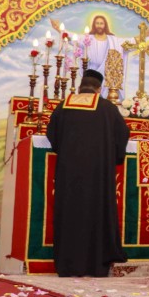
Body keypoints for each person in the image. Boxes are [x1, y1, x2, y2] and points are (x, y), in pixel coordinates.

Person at [46, 69, 130, 277]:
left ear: (80, 86)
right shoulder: (107, 108)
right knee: (96, 213)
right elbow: (122, 134)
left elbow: (52, 135)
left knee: (69, 213)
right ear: (99, 89)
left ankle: (67, 265)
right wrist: (113, 157)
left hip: (68, 175)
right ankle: (95, 265)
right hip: (98, 176)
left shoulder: (63, 105)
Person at [53, 14, 129, 100]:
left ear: (105, 25)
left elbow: (127, 43)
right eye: (97, 23)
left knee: (104, 98)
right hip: (91, 72)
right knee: (89, 96)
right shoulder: (88, 38)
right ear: (94, 25)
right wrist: (59, 29)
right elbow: (74, 38)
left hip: (107, 73)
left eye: (101, 23)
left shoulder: (113, 40)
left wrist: (139, 37)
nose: (99, 26)